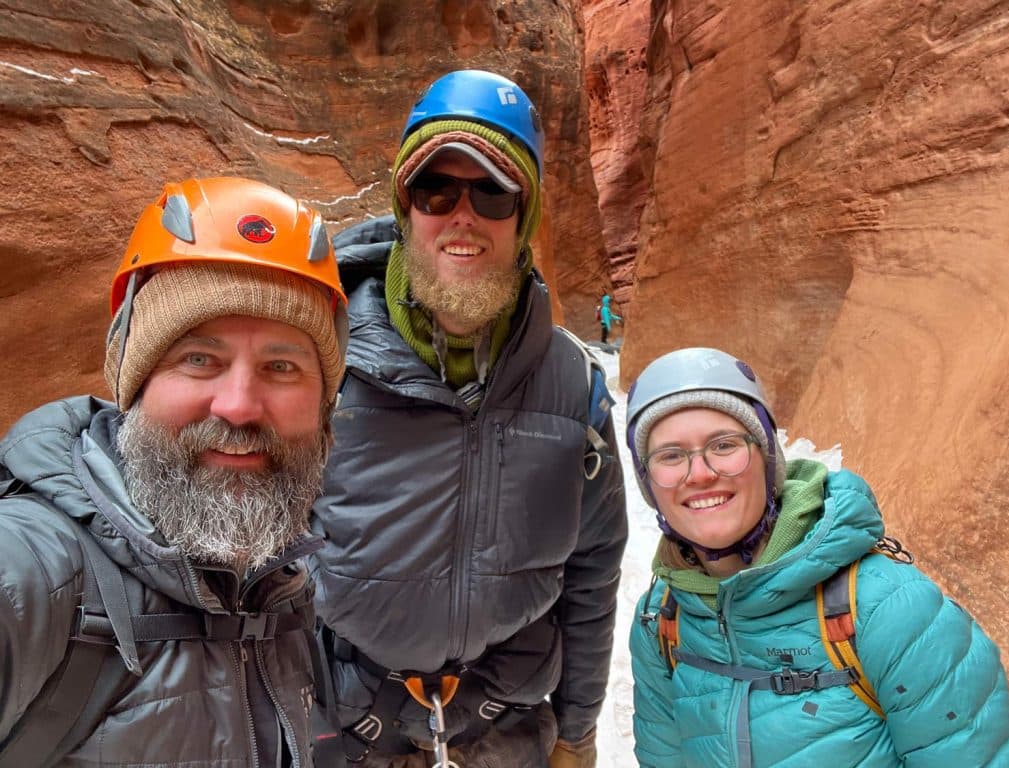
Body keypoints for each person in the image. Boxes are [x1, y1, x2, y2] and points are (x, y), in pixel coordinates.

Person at [310, 69, 628, 768]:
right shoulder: (320, 358)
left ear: (525, 215)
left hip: (506, 727)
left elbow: (592, 574)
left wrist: (576, 731)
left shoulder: (573, 385)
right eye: (436, 190)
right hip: (351, 726)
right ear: (405, 206)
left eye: (492, 192)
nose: (463, 214)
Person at [0, 177, 348, 767]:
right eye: (198, 359)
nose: (238, 405)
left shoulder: (277, 578)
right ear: (133, 383)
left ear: (324, 407)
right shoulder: (37, 570)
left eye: (282, 366)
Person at [625, 347, 1009, 767]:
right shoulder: (663, 621)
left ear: (767, 460)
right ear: (649, 483)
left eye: (724, 446)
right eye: (670, 456)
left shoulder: (889, 610)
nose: (701, 473)